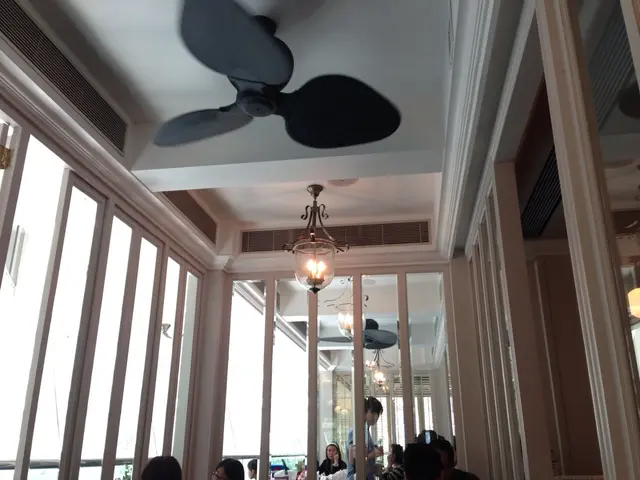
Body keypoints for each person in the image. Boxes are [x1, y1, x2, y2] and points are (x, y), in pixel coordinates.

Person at [345, 396, 384, 480]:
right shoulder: (355, 431)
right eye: (373, 413)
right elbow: (353, 459)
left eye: (377, 414)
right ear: (366, 411)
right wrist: (372, 454)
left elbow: (365, 457)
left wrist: (374, 467)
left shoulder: (365, 430)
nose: (376, 417)